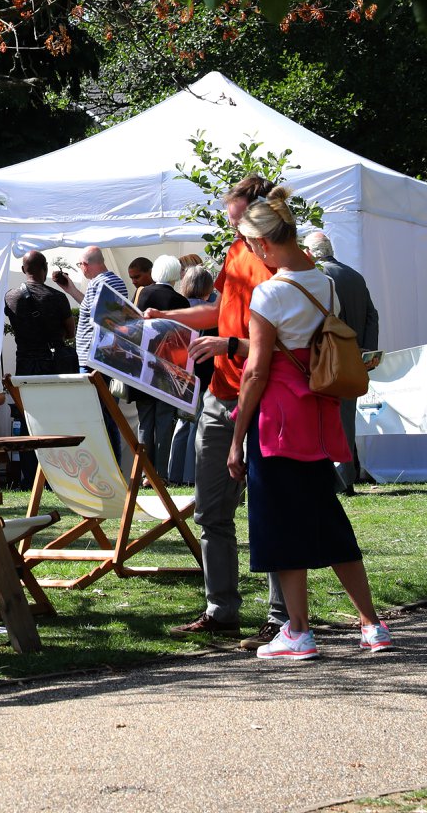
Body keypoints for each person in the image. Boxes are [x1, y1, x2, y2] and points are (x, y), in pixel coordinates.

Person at [228, 190, 391, 658]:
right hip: (316, 417)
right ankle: (371, 624)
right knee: (327, 519)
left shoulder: (270, 291)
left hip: (277, 421)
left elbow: (258, 370)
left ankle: (297, 630)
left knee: (278, 523)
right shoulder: (326, 284)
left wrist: (236, 440)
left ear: (261, 245)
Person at [147, 177, 289, 649]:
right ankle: (221, 611)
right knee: (211, 509)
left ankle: (281, 617)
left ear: (259, 217)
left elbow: (273, 339)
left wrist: (228, 343)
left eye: (236, 218)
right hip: (220, 394)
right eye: (231, 220)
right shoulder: (234, 254)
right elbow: (219, 312)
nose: (232, 227)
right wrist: (167, 319)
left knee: (270, 510)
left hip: (264, 396)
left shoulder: (274, 261)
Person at [302, 230, 380, 493]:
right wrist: (367, 350)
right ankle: (347, 473)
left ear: (310, 252)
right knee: (346, 416)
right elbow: (372, 315)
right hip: (354, 356)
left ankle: (340, 479)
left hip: (329, 356)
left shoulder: (319, 276)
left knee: (327, 417)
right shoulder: (354, 276)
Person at [53, 245, 127, 451]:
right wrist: (71, 290)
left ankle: (109, 466)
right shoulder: (107, 282)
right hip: (100, 358)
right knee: (103, 414)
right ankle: (110, 466)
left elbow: (103, 319)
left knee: (97, 415)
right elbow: (95, 311)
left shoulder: (102, 284)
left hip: (96, 359)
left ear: (85, 265)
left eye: (80, 265)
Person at [131, 254, 190, 475]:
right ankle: (160, 473)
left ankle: (144, 472)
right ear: (176, 273)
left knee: (145, 421)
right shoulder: (181, 301)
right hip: (170, 368)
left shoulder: (143, 294)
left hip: (144, 365)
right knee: (165, 421)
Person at [169, 264, 218, 486]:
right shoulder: (210, 311)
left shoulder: (180, 308)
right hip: (204, 372)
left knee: (182, 423)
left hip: (180, 371)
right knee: (196, 423)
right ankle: (191, 475)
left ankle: (175, 472)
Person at [4, 251, 75, 376]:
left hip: (25, 364)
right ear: (46, 267)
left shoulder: (10, 296)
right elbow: (71, 333)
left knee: (28, 396)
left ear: (22, 269)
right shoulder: (58, 297)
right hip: (55, 363)